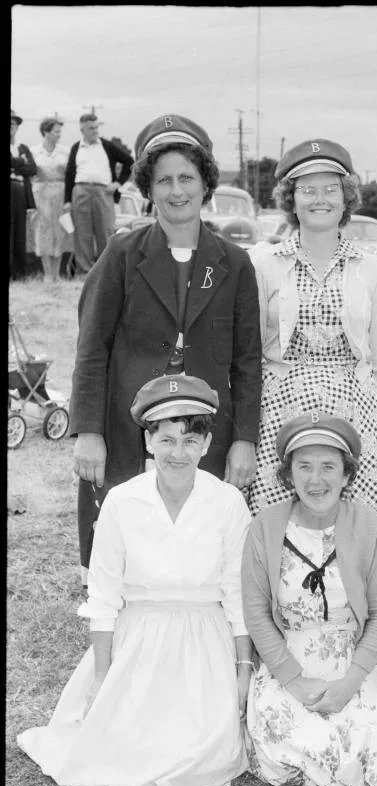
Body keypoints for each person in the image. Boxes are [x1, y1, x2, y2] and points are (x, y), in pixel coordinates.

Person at [17, 374, 252, 786]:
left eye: (188, 440)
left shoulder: (227, 503)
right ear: (147, 441)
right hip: (137, 641)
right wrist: (104, 674)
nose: (177, 453)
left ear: (206, 444)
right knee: (119, 747)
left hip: (203, 641)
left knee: (201, 753)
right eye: (165, 440)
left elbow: (238, 595)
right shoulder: (122, 502)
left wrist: (242, 670)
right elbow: (104, 597)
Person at [69, 113, 262, 585]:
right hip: (127, 431)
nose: (177, 191)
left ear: (206, 184)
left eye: (187, 178)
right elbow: (91, 349)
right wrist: (89, 431)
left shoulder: (235, 264)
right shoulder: (121, 254)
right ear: (148, 189)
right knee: (126, 555)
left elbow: (247, 361)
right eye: (164, 180)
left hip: (204, 435)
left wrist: (244, 440)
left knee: (197, 556)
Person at [241, 412, 377, 786]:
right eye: (304, 467)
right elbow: (255, 611)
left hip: (354, 658)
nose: (315, 480)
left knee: (372, 740)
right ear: (288, 475)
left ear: (347, 475)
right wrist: (293, 680)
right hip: (289, 657)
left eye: (328, 467)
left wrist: (351, 681)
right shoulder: (265, 527)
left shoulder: (372, 528)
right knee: (277, 737)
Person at [247, 138, 377, 519]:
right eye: (307, 189)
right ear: (291, 199)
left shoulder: (372, 269)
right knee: (278, 517)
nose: (320, 199)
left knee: (359, 519)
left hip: (355, 411)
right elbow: (247, 352)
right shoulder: (264, 264)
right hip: (280, 408)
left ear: (346, 198)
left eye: (331, 189)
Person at [63, 113, 134, 275]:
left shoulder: (107, 146)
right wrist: (67, 200)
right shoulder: (76, 147)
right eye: (91, 128)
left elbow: (129, 162)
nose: (95, 131)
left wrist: (118, 183)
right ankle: (84, 273)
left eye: (96, 127)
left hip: (104, 192)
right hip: (80, 191)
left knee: (106, 232)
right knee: (82, 234)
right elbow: (69, 174)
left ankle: (106, 274)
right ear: (82, 129)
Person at [30, 116, 71, 282]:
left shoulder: (66, 152)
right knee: (42, 231)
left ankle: (57, 273)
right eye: (56, 131)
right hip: (40, 194)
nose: (59, 135)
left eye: (60, 132)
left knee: (59, 231)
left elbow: (70, 176)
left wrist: (68, 199)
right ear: (46, 132)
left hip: (60, 193)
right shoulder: (33, 152)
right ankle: (47, 273)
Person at [10, 109, 37, 280]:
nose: (11, 127)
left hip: (20, 191)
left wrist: (14, 165)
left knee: (20, 233)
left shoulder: (22, 147)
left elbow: (32, 168)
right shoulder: (21, 154)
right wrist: (20, 162)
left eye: (13, 124)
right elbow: (23, 164)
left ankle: (19, 273)